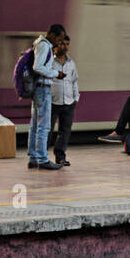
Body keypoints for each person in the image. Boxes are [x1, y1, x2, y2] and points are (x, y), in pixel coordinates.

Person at [27, 24, 66, 170]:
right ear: (53, 35)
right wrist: (56, 74)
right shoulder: (44, 46)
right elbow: (37, 67)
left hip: (38, 88)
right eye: (59, 39)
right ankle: (42, 159)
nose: (59, 43)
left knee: (35, 125)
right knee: (44, 126)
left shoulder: (38, 43)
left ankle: (33, 157)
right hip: (43, 89)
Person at [49, 35, 79, 165]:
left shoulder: (71, 63)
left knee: (65, 132)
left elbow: (74, 81)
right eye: (62, 44)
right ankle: (42, 157)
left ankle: (60, 156)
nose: (65, 47)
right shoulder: (49, 62)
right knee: (47, 130)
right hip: (52, 102)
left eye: (67, 44)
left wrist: (76, 98)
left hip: (68, 102)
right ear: (55, 46)